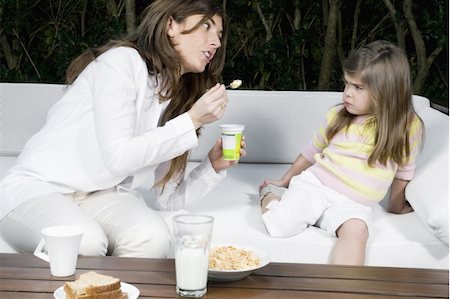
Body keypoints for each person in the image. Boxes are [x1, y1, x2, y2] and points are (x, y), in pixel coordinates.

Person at [0, 0, 245, 258]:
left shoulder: (179, 98)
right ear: (171, 25)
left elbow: (167, 200)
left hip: (100, 196)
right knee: (84, 242)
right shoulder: (121, 63)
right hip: (40, 188)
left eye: (219, 34)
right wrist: (192, 121)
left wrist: (212, 167)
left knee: (154, 237)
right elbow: (119, 158)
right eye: (206, 26)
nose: (216, 42)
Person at [259, 40, 423, 265]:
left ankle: (343, 288)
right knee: (279, 227)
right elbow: (312, 149)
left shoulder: (408, 127)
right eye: (346, 84)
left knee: (357, 232)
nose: (347, 93)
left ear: (387, 91)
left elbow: (403, 171)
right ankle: (269, 195)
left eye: (358, 87)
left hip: (355, 205)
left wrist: (396, 206)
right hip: (316, 185)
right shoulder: (338, 116)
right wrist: (284, 180)